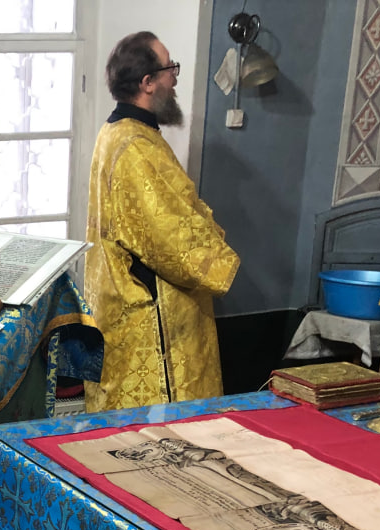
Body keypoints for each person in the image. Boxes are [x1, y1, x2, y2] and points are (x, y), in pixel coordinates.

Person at [84, 32, 240, 412]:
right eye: (170, 69)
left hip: (121, 302)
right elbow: (167, 232)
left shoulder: (120, 131)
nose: (175, 78)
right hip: (150, 316)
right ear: (147, 82)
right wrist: (216, 247)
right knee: (159, 433)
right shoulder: (136, 146)